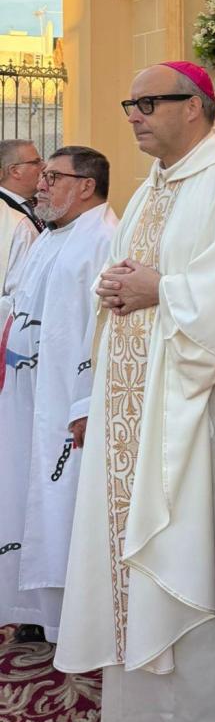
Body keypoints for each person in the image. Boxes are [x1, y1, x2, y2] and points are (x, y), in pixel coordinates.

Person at [54, 62, 215, 722]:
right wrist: (117, 289)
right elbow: (141, 276)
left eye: (148, 103)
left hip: (202, 413)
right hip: (145, 406)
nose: (132, 114)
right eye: (130, 102)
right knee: (145, 557)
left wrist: (159, 290)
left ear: (195, 107)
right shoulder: (159, 184)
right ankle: (153, 716)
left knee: (198, 556)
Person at [0, 147, 117, 644]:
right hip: (29, 392)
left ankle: (73, 615)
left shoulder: (104, 240)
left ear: (86, 186)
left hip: (67, 400)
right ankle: (36, 606)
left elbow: (104, 328)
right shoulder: (51, 237)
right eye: (42, 175)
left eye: (53, 176)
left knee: (64, 499)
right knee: (28, 491)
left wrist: (87, 400)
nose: (41, 185)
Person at [0, 139, 45, 232]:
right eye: (36, 162)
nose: (44, 166)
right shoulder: (3, 210)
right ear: (15, 171)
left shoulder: (36, 202)